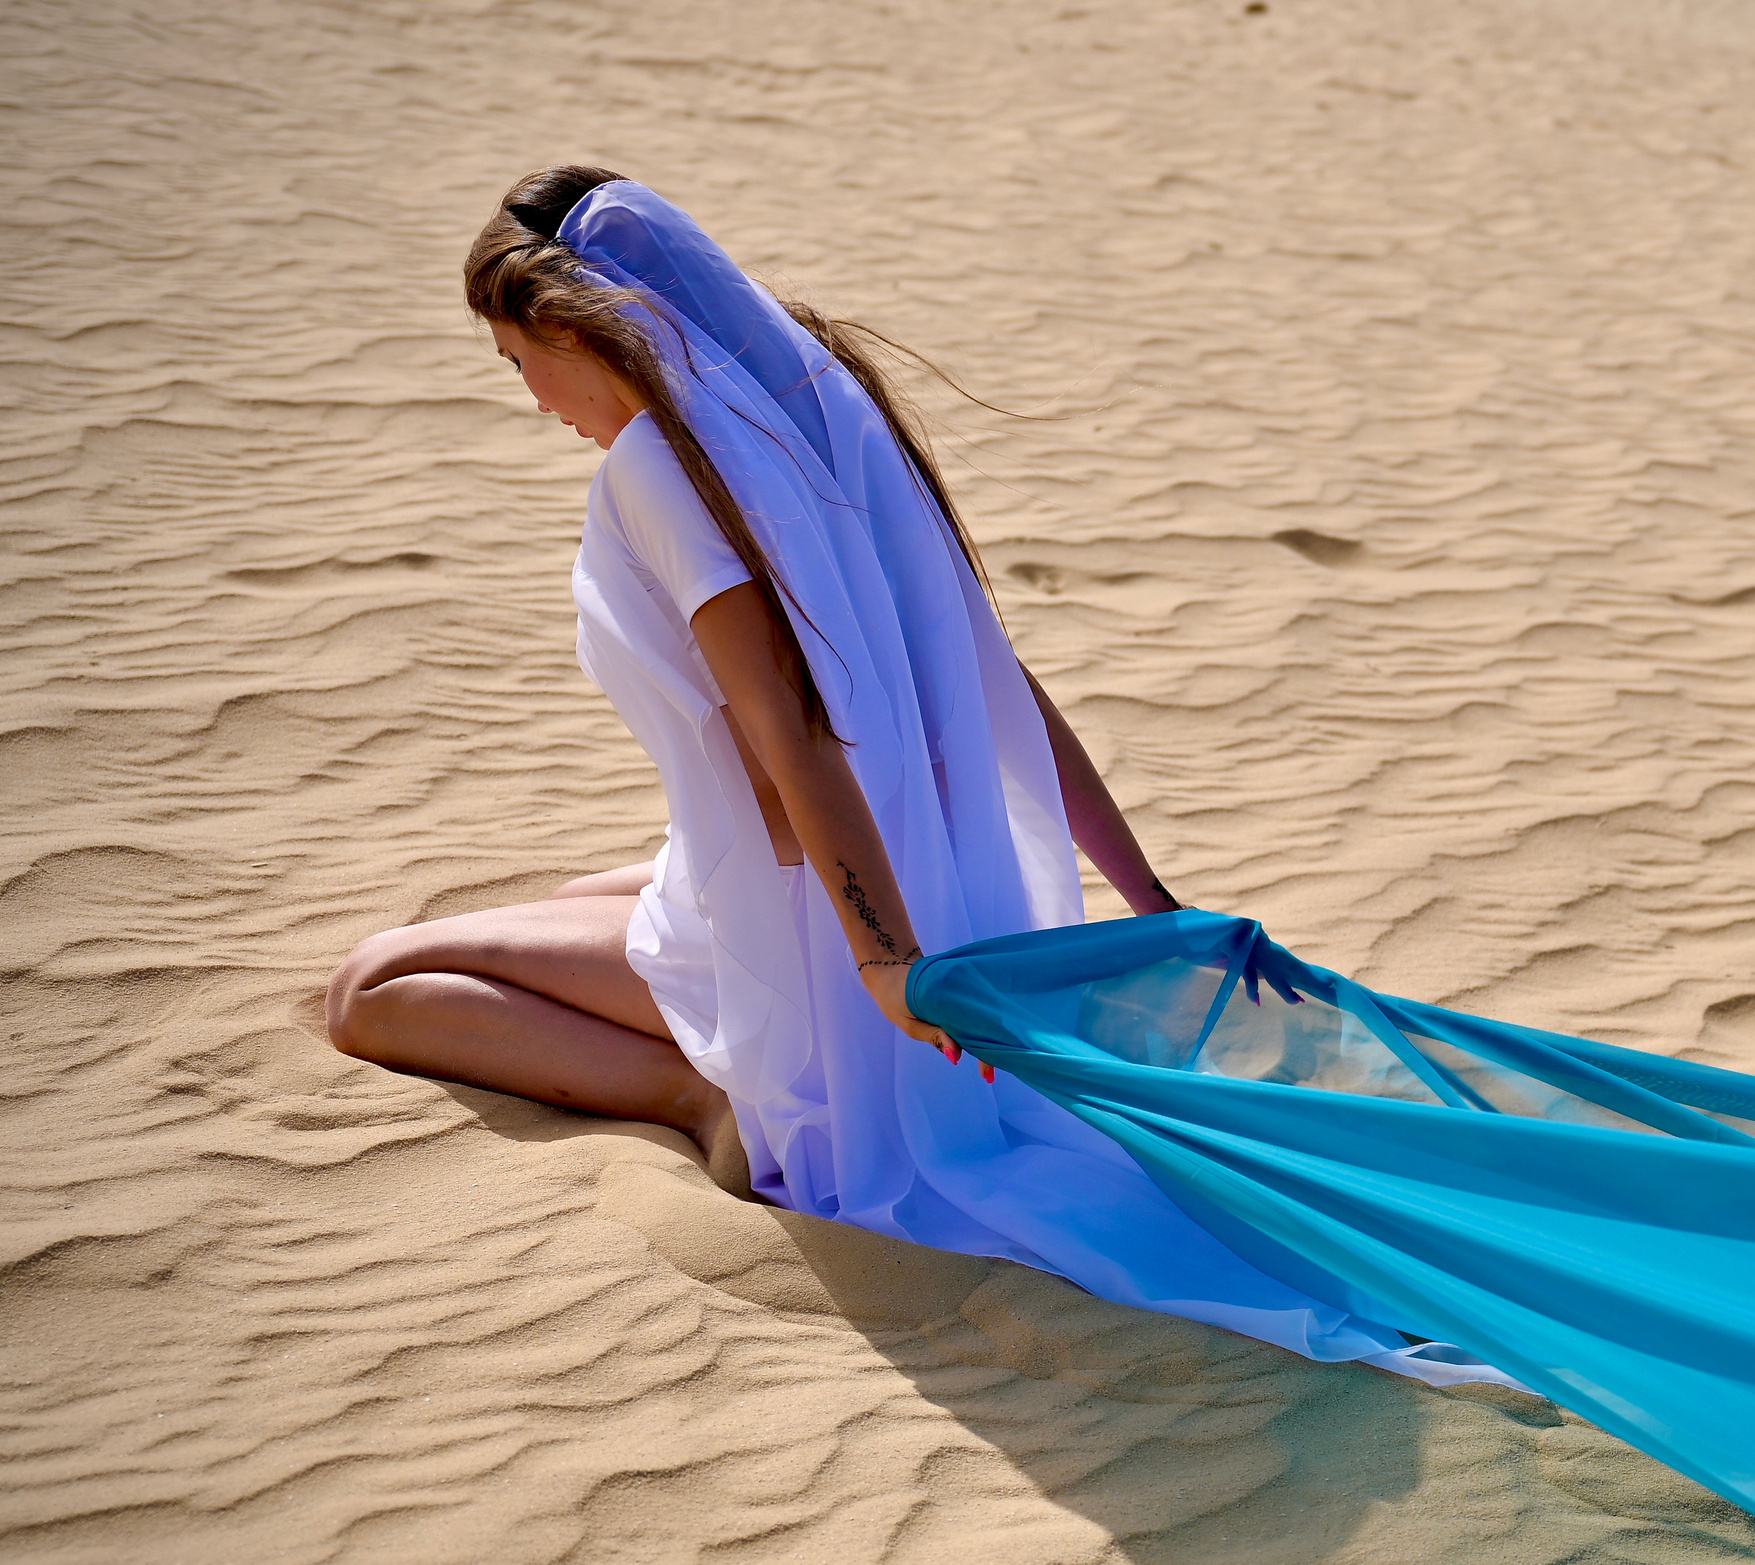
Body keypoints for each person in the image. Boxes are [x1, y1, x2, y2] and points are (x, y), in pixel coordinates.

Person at [327, 167, 1504, 1385]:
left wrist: (883, 962)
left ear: (572, 331)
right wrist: (1144, 892)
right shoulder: (829, 421)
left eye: (516, 362)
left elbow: (790, 731)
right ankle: (748, 1053)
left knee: (372, 985)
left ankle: (713, 1106)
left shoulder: (657, 472)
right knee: (580, 894)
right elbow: (999, 688)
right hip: (930, 878)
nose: (533, 402)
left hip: (831, 926)